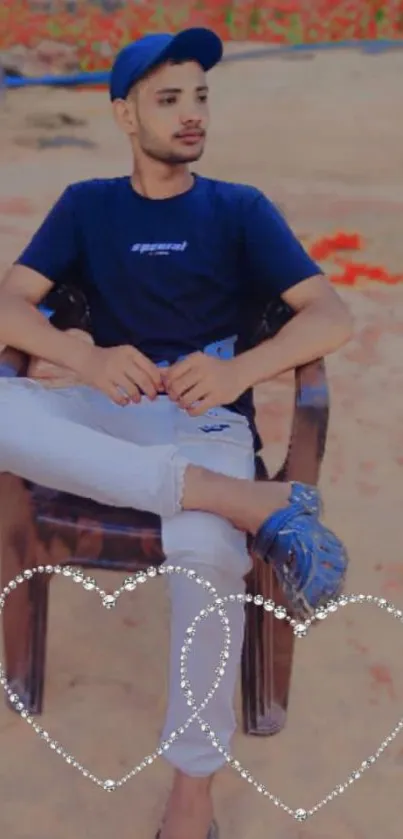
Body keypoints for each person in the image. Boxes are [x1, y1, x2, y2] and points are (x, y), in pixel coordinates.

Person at [0, 28, 353, 839]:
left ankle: (190, 794)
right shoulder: (87, 203)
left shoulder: (237, 208)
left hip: (204, 418)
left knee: (205, 549)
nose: (191, 115)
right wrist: (80, 357)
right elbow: (10, 302)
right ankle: (244, 500)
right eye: (169, 100)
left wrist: (238, 372)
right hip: (106, 412)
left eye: (201, 97)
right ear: (124, 114)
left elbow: (329, 315)